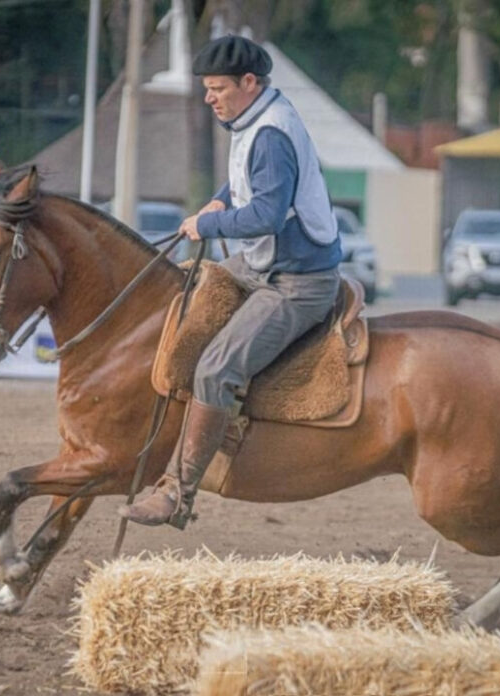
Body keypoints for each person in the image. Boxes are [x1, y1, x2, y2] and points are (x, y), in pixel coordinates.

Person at [120, 36, 343, 529]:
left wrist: (209, 225)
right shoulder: (253, 118)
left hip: (296, 283)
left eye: (217, 88)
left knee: (215, 369)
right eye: (207, 88)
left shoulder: (270, 133)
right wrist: (220, 199)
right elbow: (250, 184)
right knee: (187, 291)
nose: (209, 97)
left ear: (249, 82)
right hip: (264, 264)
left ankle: (178, 493)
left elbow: (266, 213)